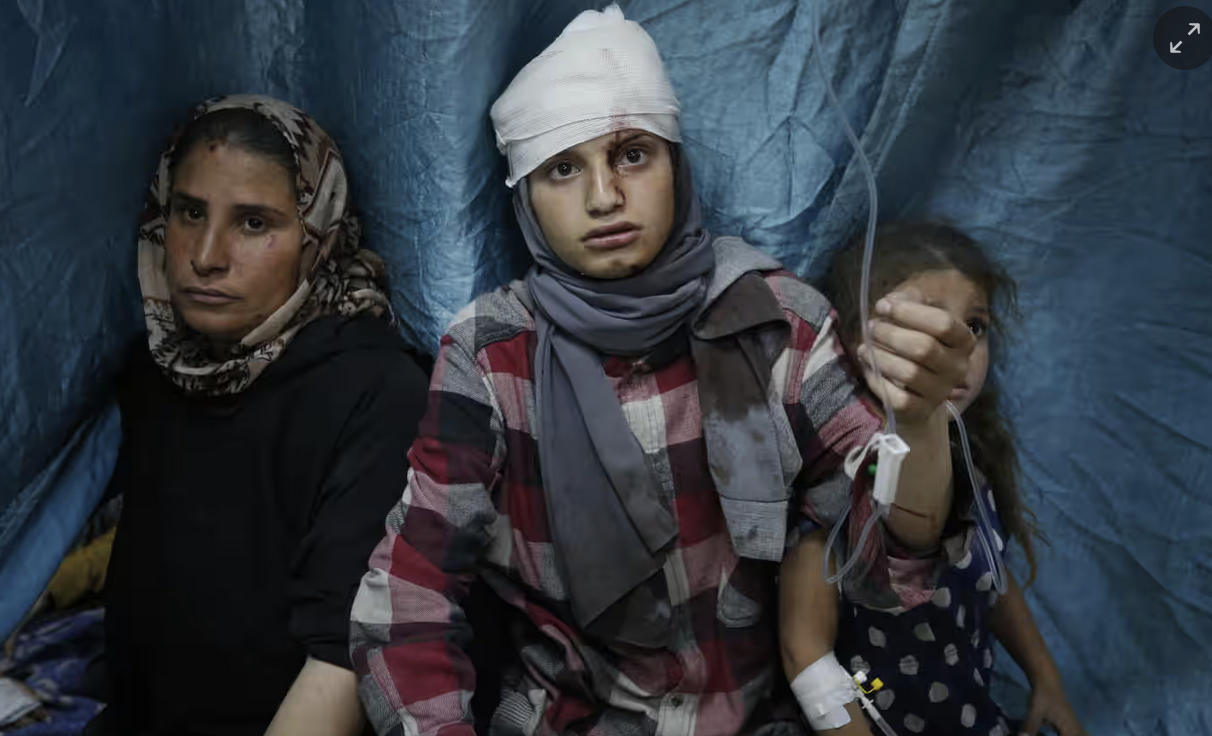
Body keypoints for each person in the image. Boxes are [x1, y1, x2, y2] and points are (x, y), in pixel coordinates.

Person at [349, 7, 974, 735]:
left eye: (632, 154)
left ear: (676, 165)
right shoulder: (491, 357)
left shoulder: (775, 322)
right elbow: (408, 599)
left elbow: (893, 557)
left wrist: (919, 426)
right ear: (525, 199)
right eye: (562, 168)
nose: (603, 197)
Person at [86, 95, 429, 736]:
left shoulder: (376, 392)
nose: (206, 255)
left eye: (253, 223)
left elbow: (344, 658)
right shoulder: (158, 370)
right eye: (190, 212)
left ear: (317, 236)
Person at [780, 222, 1085, 735]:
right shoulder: (840, 489)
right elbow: (805, 653)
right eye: (919, 326)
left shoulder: (971, 468)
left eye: (975, 326)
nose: (954, 347)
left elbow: (990, 578)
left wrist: (1046, 678)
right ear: (853, 343)